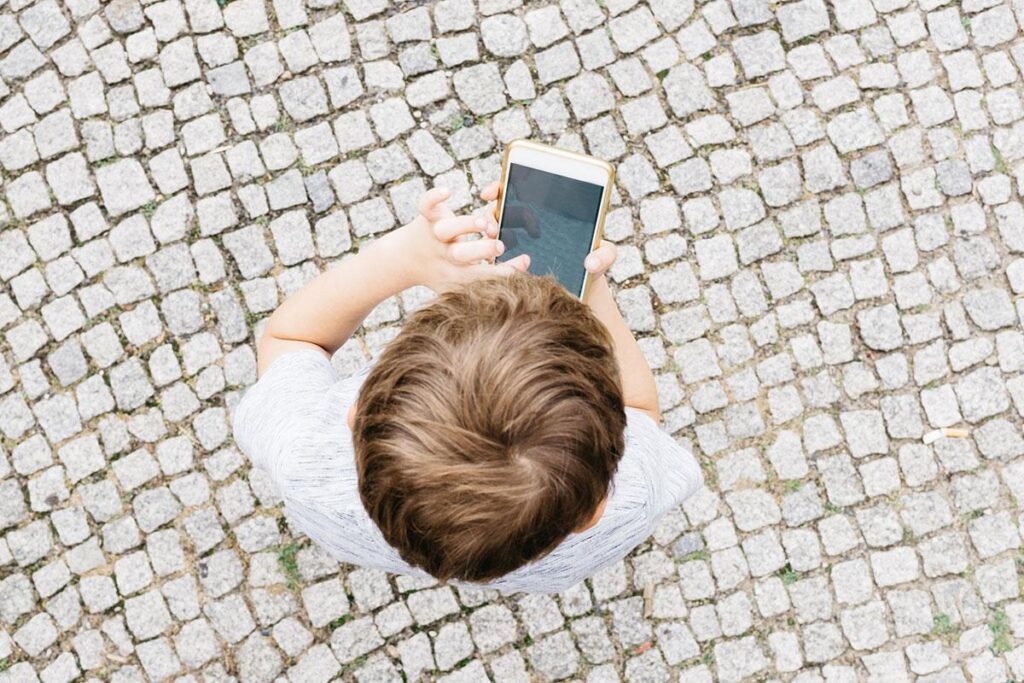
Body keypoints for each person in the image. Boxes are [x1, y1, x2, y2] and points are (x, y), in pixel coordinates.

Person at [232, 182, 703, 594]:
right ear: (593, 511)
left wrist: (402, 259)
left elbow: (292, 338)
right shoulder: (632, 503)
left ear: (354, 413)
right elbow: (640, 410)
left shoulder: (304, 463)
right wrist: (590, 286)